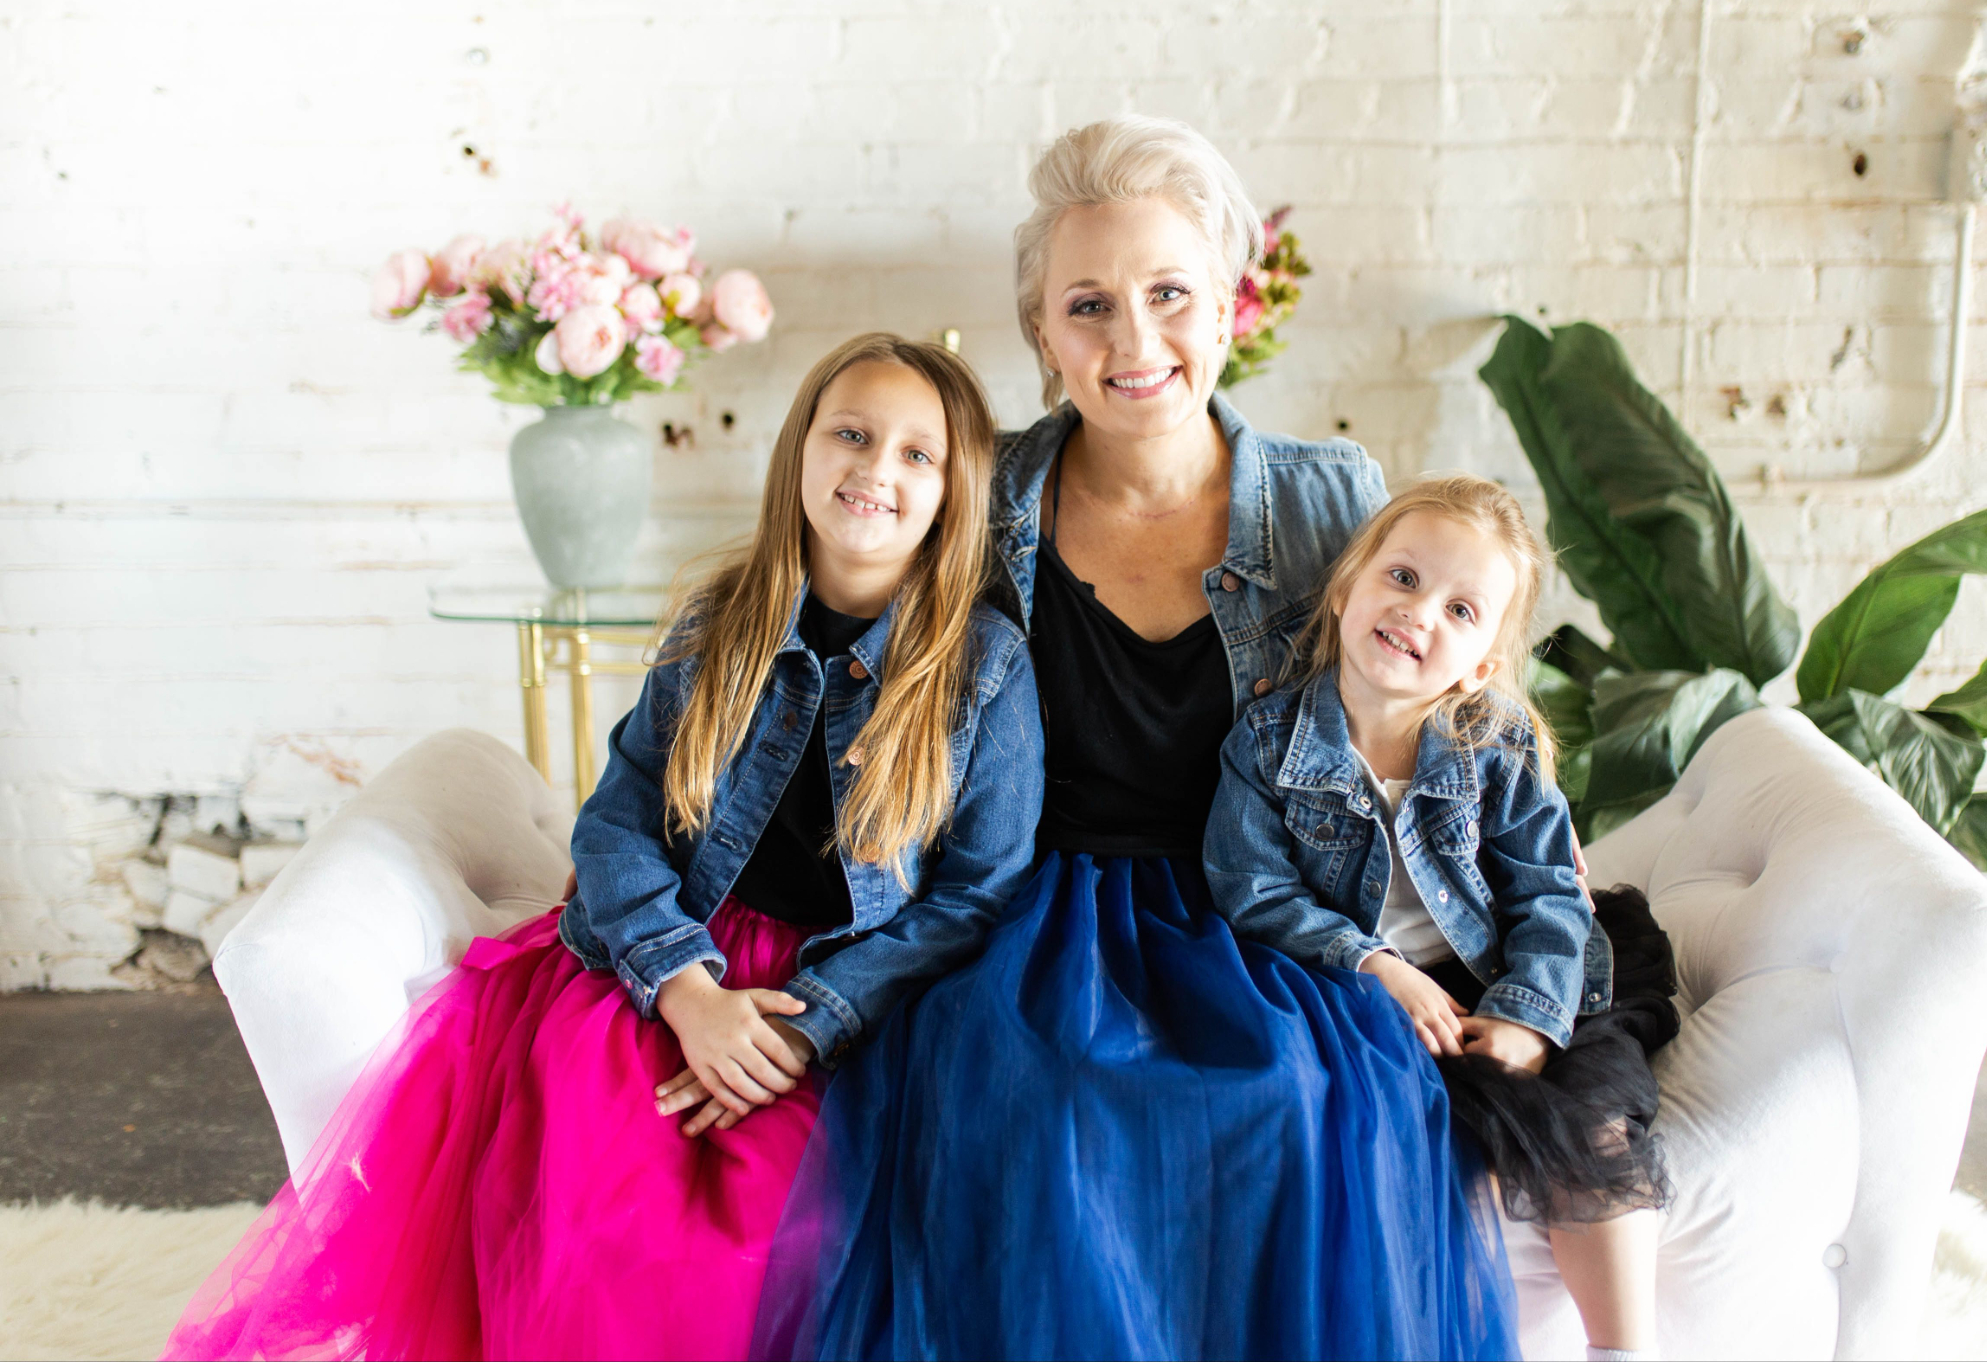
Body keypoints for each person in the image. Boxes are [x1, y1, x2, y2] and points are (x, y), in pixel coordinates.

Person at [754, 118, 1516, 1361]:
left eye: (1167, 295)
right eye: (1088, 307)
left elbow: (1432, 689)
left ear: (1225, 304)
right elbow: (839, 651)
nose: (1132, 342)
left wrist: (1521, 828)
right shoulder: (979, 489)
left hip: (1257, 902)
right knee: (1028, 1099)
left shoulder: (1329, 494)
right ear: (1040, 333)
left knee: (1300, 1095)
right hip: (1026, 905)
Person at [164, 332, 1044, 1361]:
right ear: (800, 446)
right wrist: (686, 991)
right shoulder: (720, 620)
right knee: (603, 1205)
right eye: (850, 433)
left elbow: (976, 894)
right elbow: (617, 821)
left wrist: (809, 1027)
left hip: (847, 995)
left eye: (915, 453)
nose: (874, 468)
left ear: (953, 492)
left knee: (788, 1232)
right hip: (676, 958)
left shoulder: (984, 667)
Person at [1205, 475, 1681, 1362]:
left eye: (1461, 611)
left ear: (1481, 665)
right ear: (1345, 588)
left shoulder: (1491, 742)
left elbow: (1547, 895)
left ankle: (1623, 1349)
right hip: (1370, 985)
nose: (1417, 612)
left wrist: (1527, 1017)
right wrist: (1372, 964)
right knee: (1421, 1134)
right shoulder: (1265, 744)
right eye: (1402, 577)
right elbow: (1252, 889)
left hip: (1519, 967)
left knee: (1589, 1121)